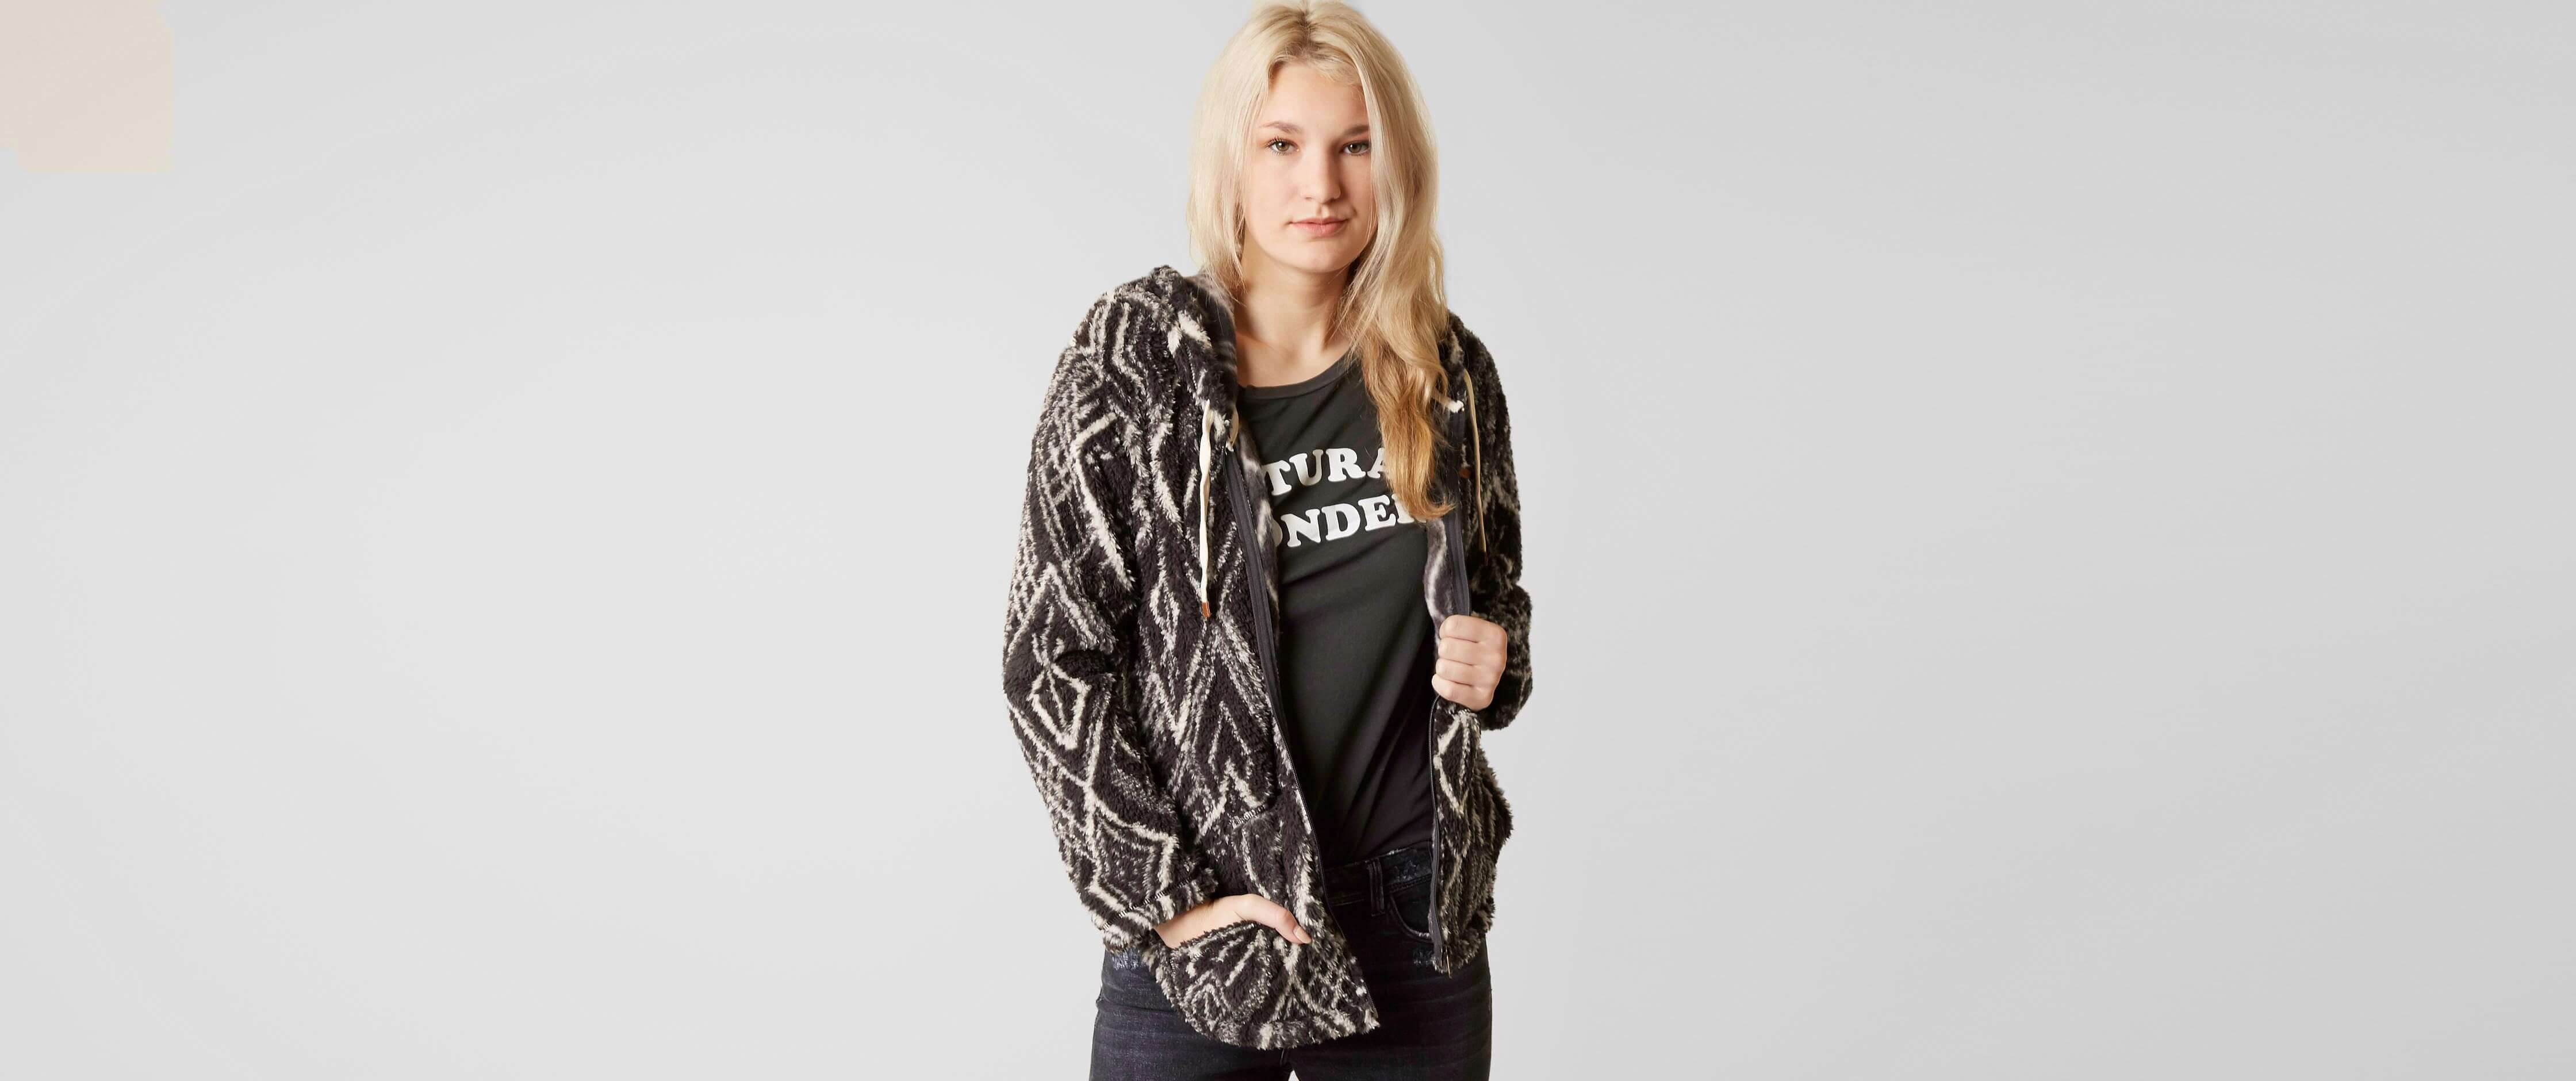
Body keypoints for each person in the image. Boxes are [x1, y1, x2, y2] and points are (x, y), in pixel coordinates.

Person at [1000, 3, 1534, 1078]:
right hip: (1208, 919)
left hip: (1413, 914)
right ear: (1232, 159)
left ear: (1396, 164)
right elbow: (1050, 659)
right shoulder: (1136, 361)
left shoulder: (1445, 372)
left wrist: (1499, 658)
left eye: (1355, 147)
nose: (1321, 186)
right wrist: (1167, 899)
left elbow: (1497, 598)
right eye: (1282, 144)